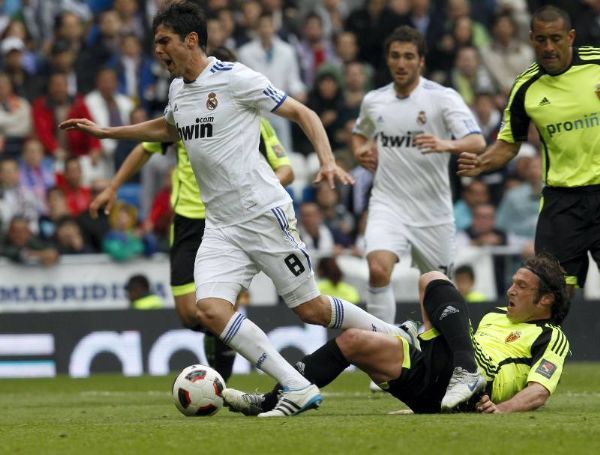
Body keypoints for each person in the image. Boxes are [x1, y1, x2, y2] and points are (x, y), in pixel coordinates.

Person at [61, 2, 414, 418]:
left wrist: (327, 160)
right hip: (221, 225)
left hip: (263, 213)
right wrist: (108, 132)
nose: (157, 49)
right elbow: (169, 128)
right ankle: (297, 386)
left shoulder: (235, 79)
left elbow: (303, 112)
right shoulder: (177, 89)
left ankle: (397, 336)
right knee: (208, 310)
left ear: (190, 40)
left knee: (311, 309)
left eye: (164, 41)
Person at [89, 47, 295, 385]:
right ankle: (226, 333)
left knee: (215, 307)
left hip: (231, 217)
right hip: (187, 218)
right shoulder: (186, 111)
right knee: (189, 314)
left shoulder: (249, 119)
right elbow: (145, 147)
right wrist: (112, 187)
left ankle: (228, 370)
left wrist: (256, 185)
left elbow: (284, 169)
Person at [223, 254, 570, 415]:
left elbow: (539, 392)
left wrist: (503, 410)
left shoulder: (550, 336)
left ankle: (464, 370)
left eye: (522, 287)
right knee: (352, 341)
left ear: (546, 300)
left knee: (432, 279)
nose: (511, 290)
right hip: (437, 387)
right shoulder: (495, 317)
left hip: (481, 383)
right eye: (513, 283)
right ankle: (269, 401)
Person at [458, 5, 600, 294]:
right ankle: (558, 340)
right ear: (531, 39)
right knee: (553, 293)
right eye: (541, 39)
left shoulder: (597, 64)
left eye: (556, 38)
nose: (549, 47)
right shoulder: (525, 87)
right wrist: (484, 162)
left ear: (570, 36)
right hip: (562, 202)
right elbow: (509, 143)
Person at [352, 25, 485, 326]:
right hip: (389, 202)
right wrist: (362, 151)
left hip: (433, 209)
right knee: (377, 269)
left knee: (439, 289)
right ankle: (381, 355)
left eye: (409, 57)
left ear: (421, 61)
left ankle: (443, 358)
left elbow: (477, 140)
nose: (401, 63)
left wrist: (445, 144)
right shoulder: (375, 100)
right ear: (387, 59)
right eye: (396, 56)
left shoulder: (442, 98)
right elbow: (359, 136)